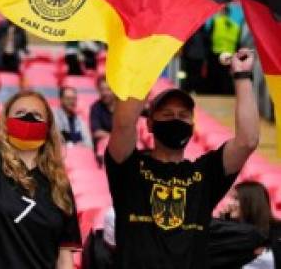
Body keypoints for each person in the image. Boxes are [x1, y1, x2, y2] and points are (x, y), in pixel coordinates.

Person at [105, 48, 260, 268]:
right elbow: (123, 123)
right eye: (167, 115)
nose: (176, 120)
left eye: (183, 116)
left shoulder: (205, 174)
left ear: (192, 126)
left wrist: (242, 76)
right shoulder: (128, 166)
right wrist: (144, 62)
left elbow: (248, 141)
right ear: (149, 123)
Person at [0, 0, 81, 269]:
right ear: (5, 122)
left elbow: (65, 260)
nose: (28, 117)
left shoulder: (60, 187)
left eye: (37, 115)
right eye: (20, 113)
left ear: (49, 127)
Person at [221, 181, 279, 268]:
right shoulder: (226, 229)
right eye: (231, 198)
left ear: (251, 201)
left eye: (236, 199)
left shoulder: (277, 232)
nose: (230, 204)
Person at [89, 76, 115, 148]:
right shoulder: (95, 108)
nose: (104, 93)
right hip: (105, 146)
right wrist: (115, 138)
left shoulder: (122, 106)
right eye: (102, 90)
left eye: (108, 89)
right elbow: (96, 132)